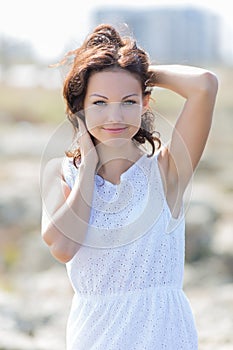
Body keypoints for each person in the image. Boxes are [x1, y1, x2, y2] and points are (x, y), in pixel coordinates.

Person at [40, 23, 218, 349]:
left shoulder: (167, 172)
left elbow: (205, 86)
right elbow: (63, 247)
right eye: (99, 102)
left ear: (144, 103)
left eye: (128, 101)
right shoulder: (59, 174)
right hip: (96, 338)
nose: (115, 115)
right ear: (79, 107)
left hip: (167, 337)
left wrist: (137, 69)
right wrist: (89, 167)